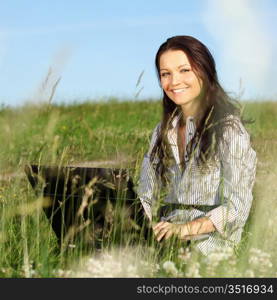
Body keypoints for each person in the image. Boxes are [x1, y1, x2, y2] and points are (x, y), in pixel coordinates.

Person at [137, 35, 257, 256]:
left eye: (185, 70)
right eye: (166, 74)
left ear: (204, 71)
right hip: (164, 245)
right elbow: (145, 196)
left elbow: (237, 207)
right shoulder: (161, 132)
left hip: (210, 249)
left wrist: (184, 230)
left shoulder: (229, 129)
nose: (174, 82)